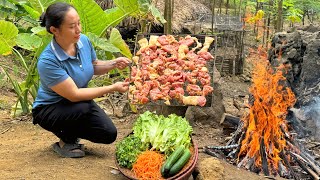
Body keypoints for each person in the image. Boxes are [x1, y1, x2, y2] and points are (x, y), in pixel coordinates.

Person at [32, 2, 130, 158]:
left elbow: (93, 65)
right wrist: (113, 87)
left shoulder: (83, 41)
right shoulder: (48, 61)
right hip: (50, 108)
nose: (78, 30)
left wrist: (114, 63)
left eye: (79, 23)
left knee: (108, 134)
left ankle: (71, 129)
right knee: (82, 109)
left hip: (79, 103)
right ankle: (65, 140)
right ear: (54, 30)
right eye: (72, 26)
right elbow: (74, 94)